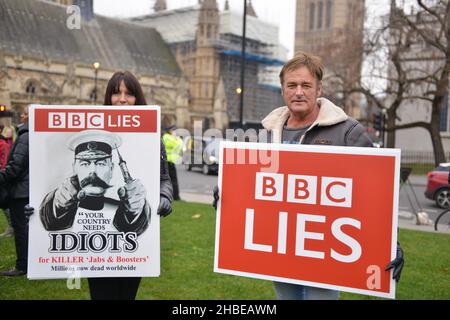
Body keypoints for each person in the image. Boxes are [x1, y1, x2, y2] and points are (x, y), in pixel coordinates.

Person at [213, 51, 404, 300]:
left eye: (306, 85)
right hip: (280, 245)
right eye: (291, 85)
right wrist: (229, 194)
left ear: (319, 89)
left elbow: (377, 193)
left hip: (328, 247)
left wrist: (391, 242)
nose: (299, 92)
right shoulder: (268, 133)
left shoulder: (348, 132)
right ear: (283, 90)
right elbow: (256, 187)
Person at [27, 71, 174, 299]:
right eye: (116, 93)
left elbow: (164, 178)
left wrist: (164, 196)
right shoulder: (68, 192)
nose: (123, 99)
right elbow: (53, 212)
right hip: (92, 251)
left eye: (129, 94)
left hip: (132, 251)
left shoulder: (154, 136)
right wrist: (37, 207)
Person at [39, 130, 151, 236]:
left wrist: (135, 211)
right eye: (85, 164)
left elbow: (131, 230)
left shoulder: (122, 208)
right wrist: (58, 206)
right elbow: (51, 222)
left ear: (111, 169)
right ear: (74, 168)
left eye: (101, 163)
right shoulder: (59, 203)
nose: (93, 171)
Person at [0, 109, 29, 276]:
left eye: (25, 113)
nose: (22, 115)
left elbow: (15, 167)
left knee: (21, 230)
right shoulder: (28, 135)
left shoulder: (25, 137)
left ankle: (22, 266)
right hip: (24, 190)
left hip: (20, 192)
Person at [162, 125, 183, 200]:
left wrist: (177, 140)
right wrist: (177, 140)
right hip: (167, 162)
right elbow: (177, 144)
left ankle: (175, 196)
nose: (175, 132)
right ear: (169, 130)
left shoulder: (172, 138)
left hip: (171, 162)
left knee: (172, 180)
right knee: (170, 180)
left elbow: (181, 145)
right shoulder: (166, 137)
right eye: (173, 130)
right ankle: (175, 197)